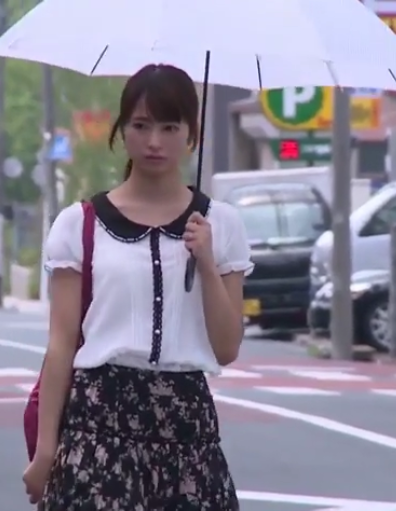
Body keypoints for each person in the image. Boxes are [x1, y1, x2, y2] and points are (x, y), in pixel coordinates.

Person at [23, 64, 253, 510]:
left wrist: (206, 261)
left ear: (192, 133)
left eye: (170, 127)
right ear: (122, 130)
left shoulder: (220, 224)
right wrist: (46, 451)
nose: (154, 141)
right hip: (98, 426)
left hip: (187, 430)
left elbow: (226, 348)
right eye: (141, 125)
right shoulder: (79, 224)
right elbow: (61, 345)